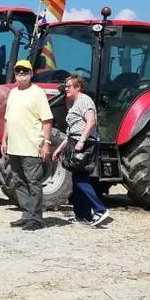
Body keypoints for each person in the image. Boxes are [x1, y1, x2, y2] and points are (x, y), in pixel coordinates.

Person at [1, 60, 53, 231]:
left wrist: (46, 143)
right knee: (19, 182)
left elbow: (47, 119)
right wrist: (4, 140)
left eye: (24, 71)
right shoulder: (13, 93)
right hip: (15, 146)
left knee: (33, 182)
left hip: (32, 146)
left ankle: (36, 218)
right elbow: (8, 119)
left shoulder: (38, 93)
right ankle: (26, 214)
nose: (21, 74)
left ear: (31, 74)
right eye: (18, 71)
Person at [52, 75, 111, 227]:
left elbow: (91, 121)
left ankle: (100, 210)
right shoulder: (73, 104)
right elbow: (72, 131)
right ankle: (82, 215)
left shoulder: (84, 100)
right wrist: (60, 148)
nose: (66, 89)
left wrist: (82, 141)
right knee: (77, 179)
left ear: (78, 87)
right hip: (75, 142)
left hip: (84, 144)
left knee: (80, 178)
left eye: (69, 86)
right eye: (65, 86)